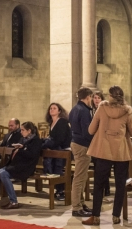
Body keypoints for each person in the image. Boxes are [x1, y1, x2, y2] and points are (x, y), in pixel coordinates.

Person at [82, 86, 132, 226]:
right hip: (121, 152)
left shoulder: (102, 108)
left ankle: (95, 216)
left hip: (103, 151)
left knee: (99, 184)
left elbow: (90, 130)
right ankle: (116, 216)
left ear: (110, 96)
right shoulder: (127, 110)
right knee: (120, 185)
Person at [0, 122, 42, 209]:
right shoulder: (23, 139)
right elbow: (19, 152)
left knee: (3, 174)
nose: (21, 132)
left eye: (23, 130)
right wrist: (18, 148)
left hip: (26, 167)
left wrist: (20, 149)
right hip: (17, 165)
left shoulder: (36, 141)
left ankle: (14, 201)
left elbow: (32, 155)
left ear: (29, 131)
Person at [69, 87, 95, 217]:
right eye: (91, 97)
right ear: (88, 97)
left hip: (75, 142)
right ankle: (76, 207)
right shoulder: (84, 110)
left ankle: (81, 203)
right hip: (82, 145)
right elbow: (87, 131)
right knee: (79, 177)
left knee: (82, 176)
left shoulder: (74, 109)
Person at [42, 103, 71, 201]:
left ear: (59, 111)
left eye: (54, 108)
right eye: (50, 108)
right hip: (56, 149)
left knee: (58, 169)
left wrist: (50, 146)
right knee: (53, 167)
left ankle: (61, 191)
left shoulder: (62, 121)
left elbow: (61, 139)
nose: (52, 110)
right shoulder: (52, 123)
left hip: (64, 150)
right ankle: (58, 190)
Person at [91, 90, 111, 196]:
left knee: (103, 167)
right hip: (95, 142)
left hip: (104, 141)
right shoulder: (92, 111)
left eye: (98, 98)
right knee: (97, 167)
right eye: (94, 98)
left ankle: (105, 189)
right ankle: (101, 189)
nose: (96, 100)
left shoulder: (105, 110)